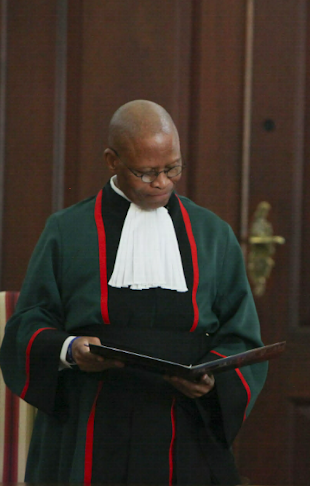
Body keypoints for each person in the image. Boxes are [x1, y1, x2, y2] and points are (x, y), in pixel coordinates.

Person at [0, 100, 267, 484]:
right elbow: (28, 325)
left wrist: (212, 379)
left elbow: (240, 337)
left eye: (172, 168)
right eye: (146, 172)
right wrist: (70, 349)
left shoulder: (213, 234)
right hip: (88, 421)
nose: (162, 182)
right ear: (112, 160)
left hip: (184, 425)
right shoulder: (66, 230)